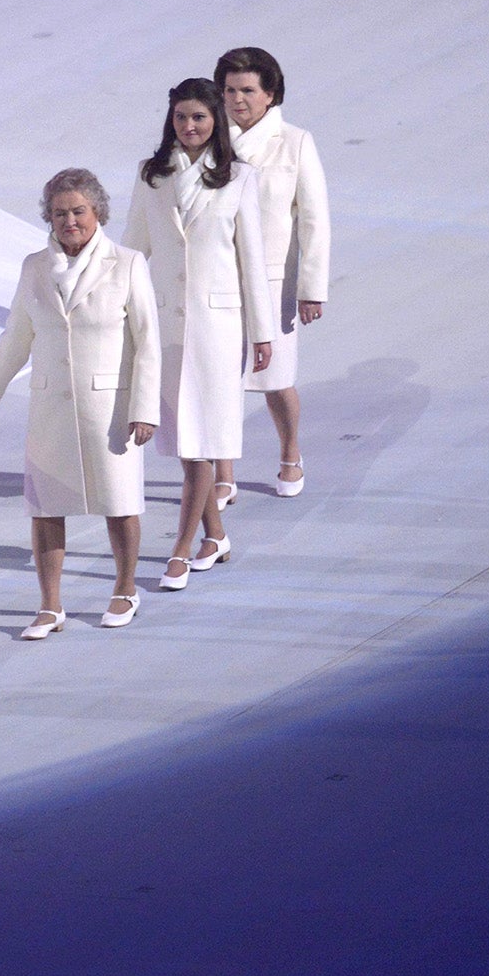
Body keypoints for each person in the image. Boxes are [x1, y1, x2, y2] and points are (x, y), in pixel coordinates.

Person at [0, 169, 159, 636]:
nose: (69, 221)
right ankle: (50, 605)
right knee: (45, 507)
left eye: (78, 210)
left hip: (110, 410)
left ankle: (124, 588)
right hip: (51, 408)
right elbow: (16, 338)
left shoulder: (128, 262)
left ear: (97, 211)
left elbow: (147, 343)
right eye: (59, 213)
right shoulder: (34, 267)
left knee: (118, 502)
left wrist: (145, 408)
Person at [122, 78, 276, 588]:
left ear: (216, 123)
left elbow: (251, 258)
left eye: (200, 119)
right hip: (166, 323)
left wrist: (262, 332)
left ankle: (181, 549)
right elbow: (131, 249)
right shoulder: (152, 175)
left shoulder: (238, 178)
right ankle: (215, 535)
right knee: (189, 437)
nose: (189, 127)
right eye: (181, 118)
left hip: (218, 327)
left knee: (203, 440)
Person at [215, 46, 329, 500]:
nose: (236, 99)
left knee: (275, 378)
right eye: (228, 90)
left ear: (270, 94)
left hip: (272, 280)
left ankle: (289, 451)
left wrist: (311, 288)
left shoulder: (295, 142)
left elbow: (314, 219)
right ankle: (222, 472)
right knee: (218, 376)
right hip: (219, 276)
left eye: (247, 90)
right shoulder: (207, 138)